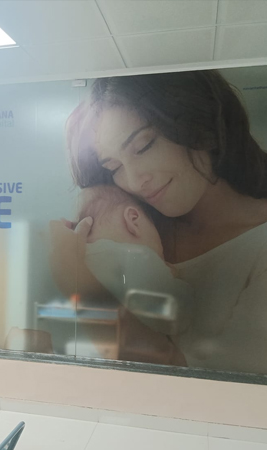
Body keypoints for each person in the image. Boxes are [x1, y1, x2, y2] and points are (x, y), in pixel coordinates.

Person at [53, 69, 267, 374]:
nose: (134, 181)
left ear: (196, 122)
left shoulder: (258, 245)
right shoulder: (135, 230)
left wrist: (74, 280)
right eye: (114, 167)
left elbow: (191, 385)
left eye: (143, 146)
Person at [77, 184, 194, 336]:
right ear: (134, 220)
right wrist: (176, 282)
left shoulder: (83, 262)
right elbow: (175, 316)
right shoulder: (137, 257)